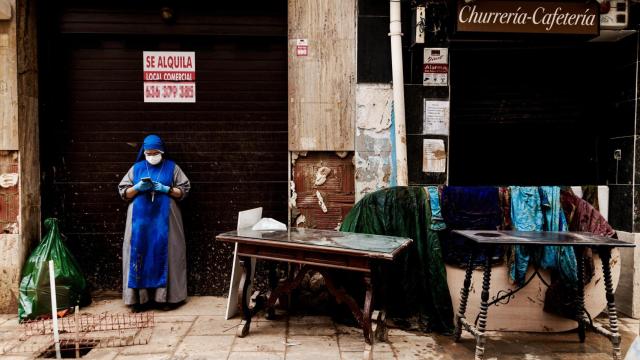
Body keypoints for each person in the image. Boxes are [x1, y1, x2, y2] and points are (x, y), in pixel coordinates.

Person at [118, 134, 190, 311]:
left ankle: (165, 298)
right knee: (138, 253)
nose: (151, 155)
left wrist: (167, 189)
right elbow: (123, 192)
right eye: (148, 152)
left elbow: (184, 190)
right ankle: (138, 300)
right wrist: (136, 188)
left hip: (164, 219)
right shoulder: (137, 168)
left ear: (162, 151)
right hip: (140, 222)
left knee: (167, 253)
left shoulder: (172, 168)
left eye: (155, 152)